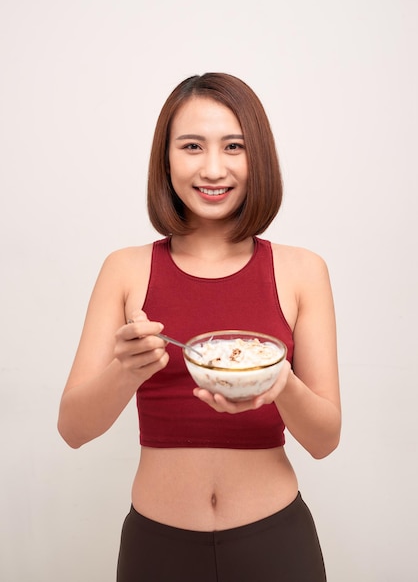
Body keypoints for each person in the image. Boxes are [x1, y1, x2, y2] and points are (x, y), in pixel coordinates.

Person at [58, 72, 341, 582]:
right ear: (165, 160)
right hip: (157, 548)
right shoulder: (124, 269)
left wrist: (280, 384)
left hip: (275, 541)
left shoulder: (303, 271)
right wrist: (127, 370)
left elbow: (325, 438)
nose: (213, 168)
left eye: (234, 146)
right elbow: (73, 429)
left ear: (258, 156)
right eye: (192, 146)